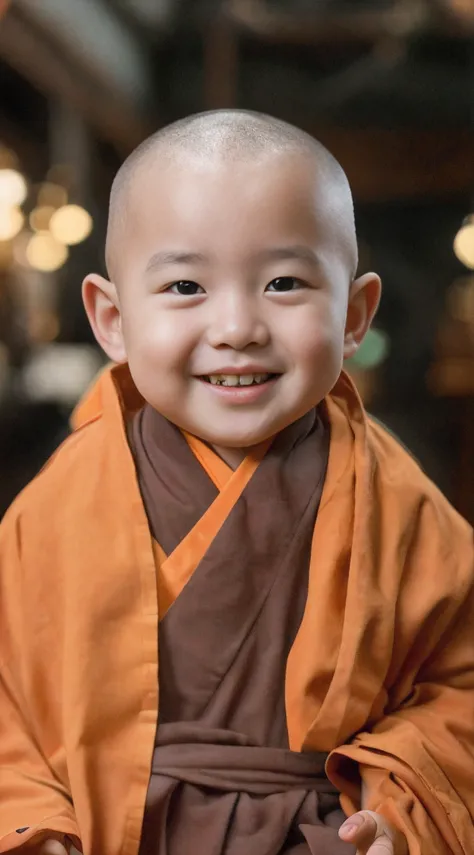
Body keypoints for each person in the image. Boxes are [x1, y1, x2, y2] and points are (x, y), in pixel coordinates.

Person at [0, 110, 473, 855]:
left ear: (354, 315)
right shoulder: (60, 501)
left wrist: (401, 808)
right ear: (112, 318)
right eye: (186, 284)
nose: (237, 325)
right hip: (107, 835)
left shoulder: (399, 502)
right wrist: (32, 828)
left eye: (283, 281)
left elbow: (461, 685)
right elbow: (8, 707)